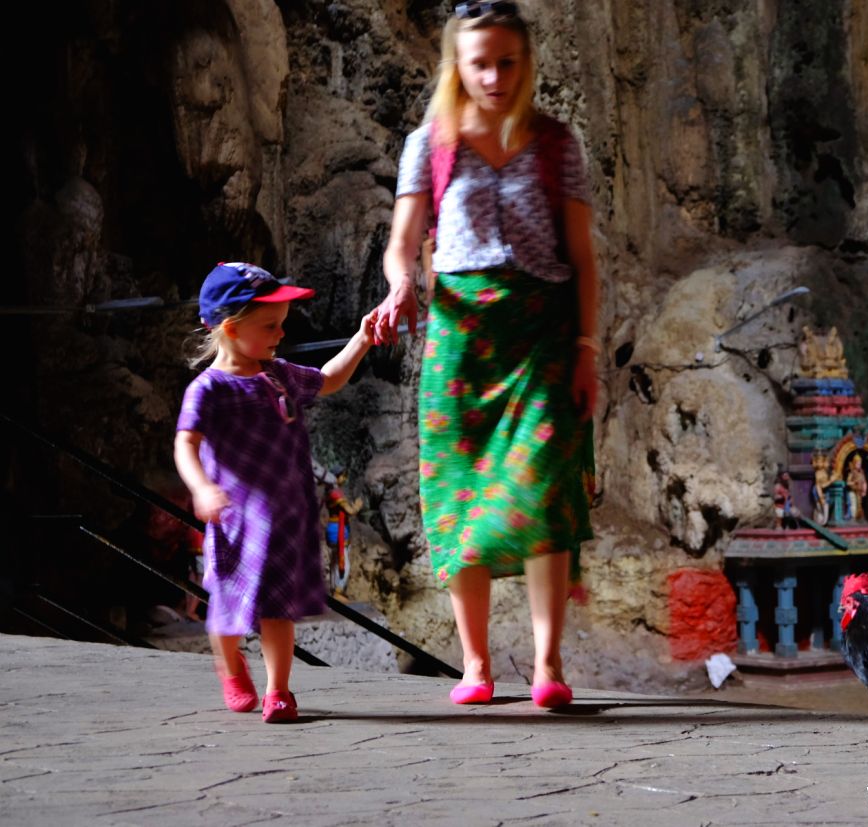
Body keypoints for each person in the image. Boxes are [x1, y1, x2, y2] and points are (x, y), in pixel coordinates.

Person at [375, 0, 600, 708]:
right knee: (458, 494)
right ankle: (474, 663)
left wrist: (589, 345)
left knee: (540, 493)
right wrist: (401, 283)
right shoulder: (431, 143)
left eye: (508, 62)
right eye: (481, 63)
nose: (496, 76)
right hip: (461, 336)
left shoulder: (558, 144)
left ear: (526, 63)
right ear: (458, 66)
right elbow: (402, 244)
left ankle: (548, 662)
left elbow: (585, 258)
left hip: (542, 332)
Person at [174, 262, 376, 723]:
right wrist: (202, 488)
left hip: (283, 521)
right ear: (230, 327)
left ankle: (278, 690)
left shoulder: (280, 376)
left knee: (276, 609)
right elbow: (186, 444)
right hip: (233, 524)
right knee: (225, 616)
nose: (280, 335)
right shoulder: (209, 389)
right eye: (269, 326)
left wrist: (361, 339)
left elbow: (328, 379)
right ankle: (230, 666)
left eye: (282, 324)